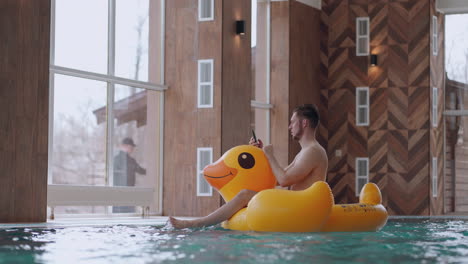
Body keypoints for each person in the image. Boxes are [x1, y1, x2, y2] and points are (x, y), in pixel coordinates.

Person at [169, 104, 328, 228]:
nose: (289, 127)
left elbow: (284, 180)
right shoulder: (306, 152)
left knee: (245, 194)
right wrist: (262, 154)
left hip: (301, 209)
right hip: (295, 204)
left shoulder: (312, 152)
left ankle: (197, 223)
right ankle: (204, 222)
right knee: (247, 194)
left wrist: (270, 155)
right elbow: (278, 180)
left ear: (304, 123)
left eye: (293, 122)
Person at [113, 137, 147, 213]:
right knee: (126, 215)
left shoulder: (118, 159)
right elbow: (141, 170)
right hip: (123, 194)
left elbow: (142, 171)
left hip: (123, 194)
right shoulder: (123, 160)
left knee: (125, 215)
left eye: (132, 147)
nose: (132, 149)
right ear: (124, 146)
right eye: (130, 147)